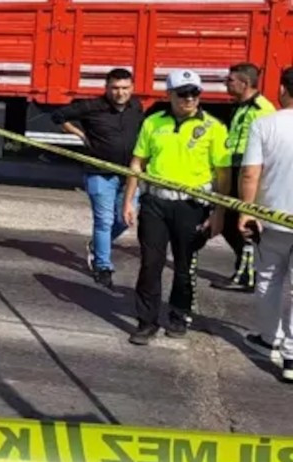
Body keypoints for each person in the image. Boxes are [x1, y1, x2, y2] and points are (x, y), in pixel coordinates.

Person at [122, 69, 231, 345]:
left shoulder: (214, 128)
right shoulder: (153, 123)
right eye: (183, 93)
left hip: (191, 207)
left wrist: (218, 213)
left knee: (185, 265)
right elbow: (138, 163)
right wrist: (129, 201)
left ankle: (179, 314)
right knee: (150, 264)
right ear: (169, 94)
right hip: (155, 203)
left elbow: (222, 174)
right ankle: (146, 322)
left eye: (195, 93)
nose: (190, 99)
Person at [51, 68, 145, 288]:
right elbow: (58, 116)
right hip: (99, 174)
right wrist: (79, 134)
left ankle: (96, 245)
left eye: (125, 88)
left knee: (124, 220)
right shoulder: (91, 107)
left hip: (129, 175)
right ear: (106, 88)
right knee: (104, 220)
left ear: (132, 88)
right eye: (115, 88)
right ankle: (103, 265)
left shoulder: (136, 107)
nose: (120, 93)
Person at [236, 66, 293, 381]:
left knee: (269, 280)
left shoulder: (264, 124)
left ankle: (270, 339)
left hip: (272, 219)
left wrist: (246, 211)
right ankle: (292, 360)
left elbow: (250, 173)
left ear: (283, 88)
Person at [214, 63, 277, 293]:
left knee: (241, 223)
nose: (226, 84)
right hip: (235, 169)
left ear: (245, 83)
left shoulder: (262, 109)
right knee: (228, 222)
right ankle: (245, 270)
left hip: (248, 173)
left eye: (230, 80)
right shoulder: (240, 106)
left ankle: (249, 274)